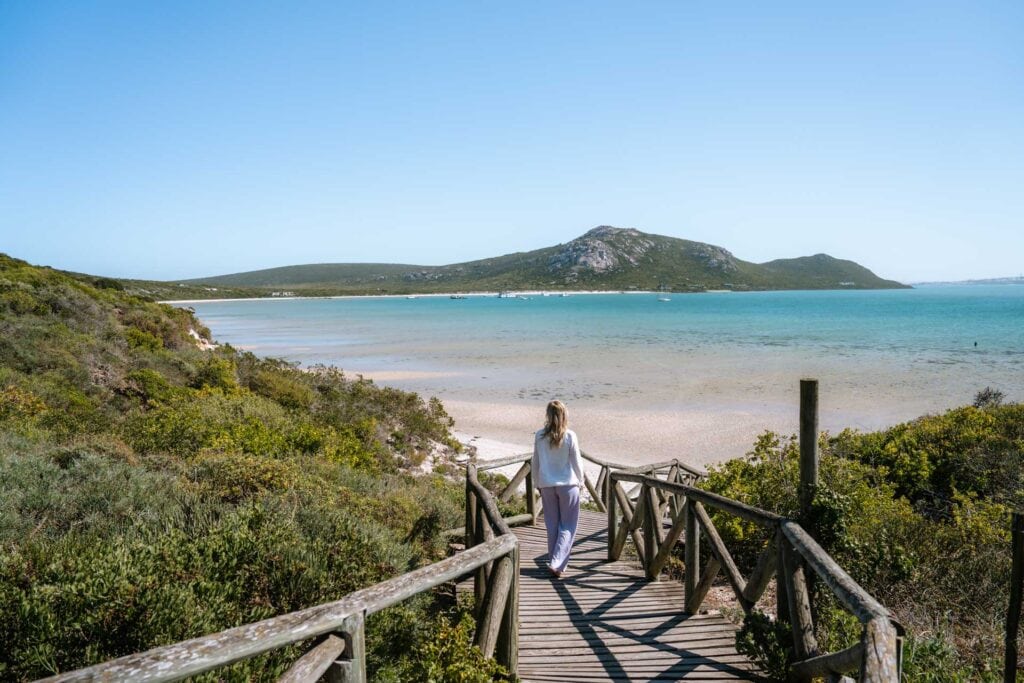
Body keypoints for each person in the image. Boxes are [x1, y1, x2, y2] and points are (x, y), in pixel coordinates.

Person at [531, 399, 584, 578]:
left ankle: (555, 561)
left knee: (552, 525)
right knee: (568, 525)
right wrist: (581, 481)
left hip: (547, 485)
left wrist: (535, 482)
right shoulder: (570, 436)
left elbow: (535, 462)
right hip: (568, 485)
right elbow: (577, 461)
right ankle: (557, 563)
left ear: (548, 415)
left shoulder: (539, 435)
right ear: (564, 415)